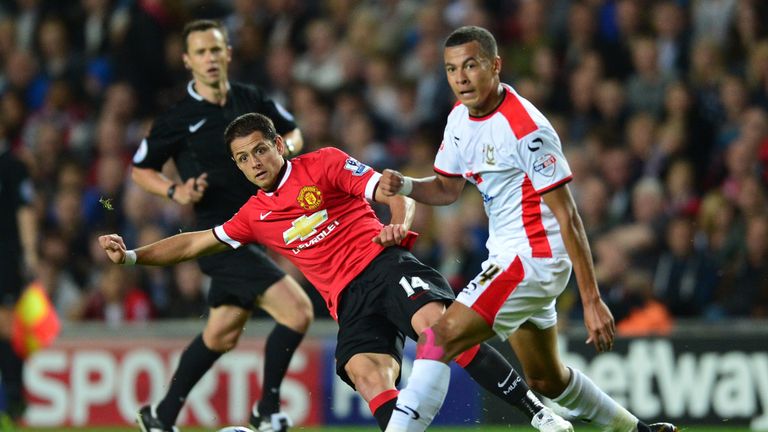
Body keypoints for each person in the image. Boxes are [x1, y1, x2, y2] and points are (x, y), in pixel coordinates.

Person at [104, 112, 573, 432]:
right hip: (346, 303)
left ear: (278, 145)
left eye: (260, 151)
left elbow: (393, 192)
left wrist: (398, 224)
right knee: (366, 373)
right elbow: (193, 242)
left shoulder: (323, 163)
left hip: (384, 265)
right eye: (244, 159)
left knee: (438, 330)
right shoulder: (252, 215)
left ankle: (540, 416)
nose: (254, 164)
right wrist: (131, 256)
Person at [379, 26, 678, 432]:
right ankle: (639, 431)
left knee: (438, 337)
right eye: (451, 70)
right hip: (510, 256)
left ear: (495, 65)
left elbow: (568, 215)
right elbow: (449, 188)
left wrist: (591, 300)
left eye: (471, 65)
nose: (461, 78)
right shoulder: (458, 119)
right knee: (545, 379)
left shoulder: (527, 129)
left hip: (533, 258)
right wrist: (409, 186)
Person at [130, 20, 313, 432]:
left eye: (215, 50)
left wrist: (281, 152)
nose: (210, 59)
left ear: (228, 53)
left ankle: (160, 417)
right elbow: (141, 169)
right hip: (218, 237)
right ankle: (267, 411)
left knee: (220, 334)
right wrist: (175, 192)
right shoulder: (178, 117)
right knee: (297, 311)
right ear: (187, 61)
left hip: (258, 228)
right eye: (200, 52)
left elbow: (294, 133)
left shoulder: (250, 98)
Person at [0, 126, 38, 428]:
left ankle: (14, 397)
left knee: (7, 326)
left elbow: (26, 211)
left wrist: (29, 253)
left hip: (5, 257)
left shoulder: (12, 165)